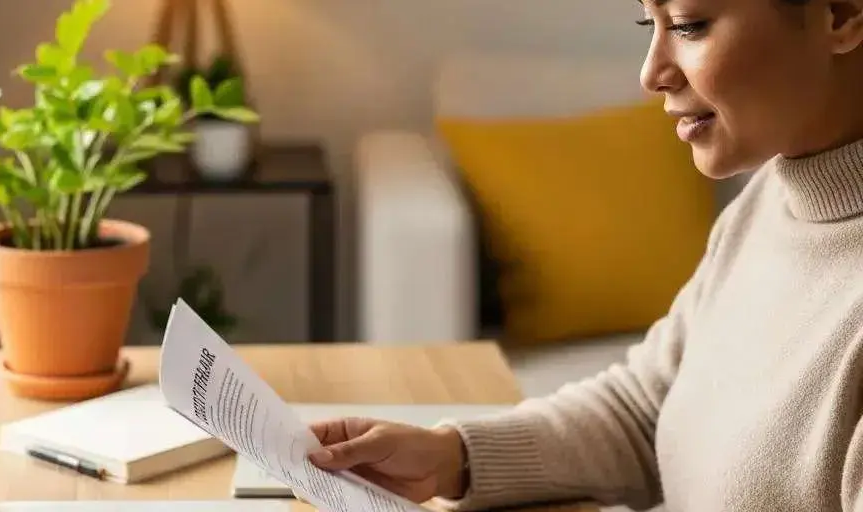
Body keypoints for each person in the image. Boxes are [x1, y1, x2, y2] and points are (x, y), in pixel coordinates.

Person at [306, 0, 863, 510]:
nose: (651, 74)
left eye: (690, 25)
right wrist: (452, 456)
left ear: (839, 15)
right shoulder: (767, 203)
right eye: (652, 24)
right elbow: (644, 410)